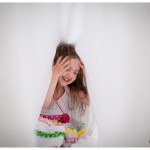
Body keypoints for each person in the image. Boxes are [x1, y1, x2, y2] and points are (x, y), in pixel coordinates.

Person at [35, 42, 99, 147]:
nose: (70, 75)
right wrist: (55, 75)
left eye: (75, 72)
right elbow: (44, 104)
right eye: (67, 69)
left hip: (62, 130)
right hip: (45, 127)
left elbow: (89, 100)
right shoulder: (45, 87)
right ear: (55, 67)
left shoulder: (70, 90)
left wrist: (83, 75)